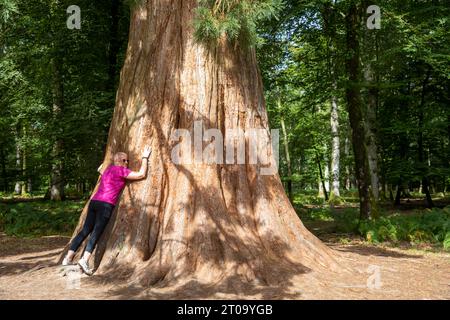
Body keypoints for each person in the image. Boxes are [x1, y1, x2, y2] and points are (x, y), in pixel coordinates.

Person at [62, 146, 152, 275]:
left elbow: (100, 170)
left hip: (94, 202)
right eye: (125, 160)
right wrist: (145, 157)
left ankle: (68, 258)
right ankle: (84, 260)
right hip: (105, 205)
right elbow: (141, 174)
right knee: (96, 232)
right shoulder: (121, 171)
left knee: (85, 230)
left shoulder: (108, 170)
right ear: (120, 161)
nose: (127, 163)